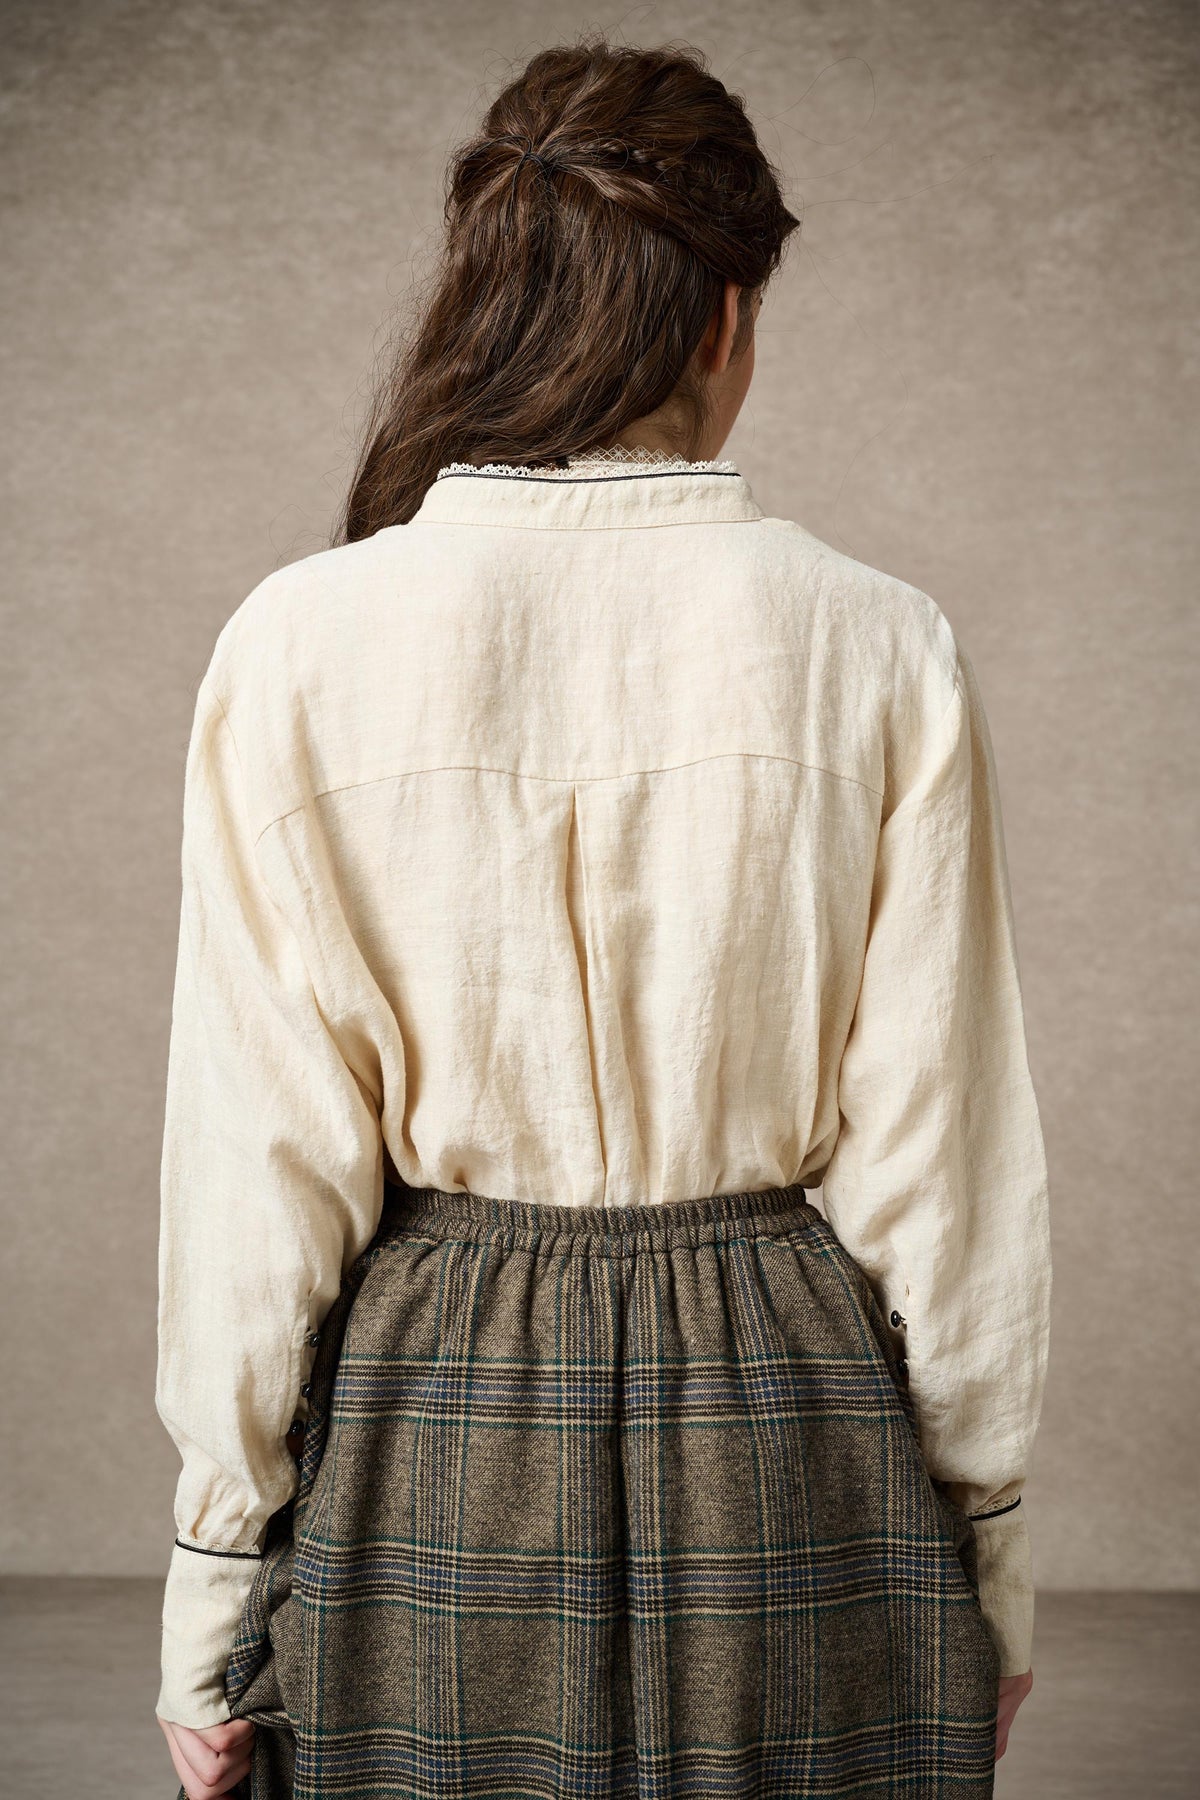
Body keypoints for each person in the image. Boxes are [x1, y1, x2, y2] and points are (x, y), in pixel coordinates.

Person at [153, 34, 1051, 1800]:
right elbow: (941, 1168)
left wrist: (210, 1591)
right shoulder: (879, 642)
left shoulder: (298, 641)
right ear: (724, 315)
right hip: (795, 1423)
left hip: (432, 1426)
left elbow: (258, 1173)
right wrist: (990, 1563)